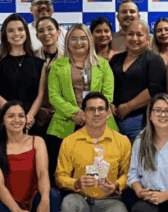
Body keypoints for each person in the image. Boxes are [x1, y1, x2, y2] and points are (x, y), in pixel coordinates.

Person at [56, 92, 132, 212]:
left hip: (110, 200)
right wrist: (76, 183)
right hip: (80, 198)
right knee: (67, 205)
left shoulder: (122, 141)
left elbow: (128, 174)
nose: (96, 113)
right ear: (83, 114)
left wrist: (116, 185)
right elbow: (60, 177)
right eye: (91, 109)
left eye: (101, 109)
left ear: (108, 113)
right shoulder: (69, 141)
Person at [47, 23, 116, 184]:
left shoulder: (103, 65)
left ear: (90, 40)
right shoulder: (58, 65)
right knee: (65, 172)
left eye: (83, 38)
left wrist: (89, 114)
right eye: (74, 39)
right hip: (66, 124)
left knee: (100, 170)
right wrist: (76, 113)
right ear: (67, 42)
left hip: (100, 123)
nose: (79, 43)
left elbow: (108, 95)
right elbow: (54, 96)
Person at [0, 101, 60, 212]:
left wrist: (45, 200)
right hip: (9, 202)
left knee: (53, 196)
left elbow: (42, 173)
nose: (17, 120)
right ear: (2, 120)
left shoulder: (37, 141)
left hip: (33, 198)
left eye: (21, 116)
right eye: (11, 116)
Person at [0, 13, 46, 136]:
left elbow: (40, 95)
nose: (16, 34)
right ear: (5, 35)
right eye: (11, 31)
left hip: (30, 122)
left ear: (26, 32)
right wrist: (16, 116)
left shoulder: (39, 63)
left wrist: (28, 116)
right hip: (4, 122)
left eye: (20, 29)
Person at [109, 20, 167, 144]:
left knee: (138, 160)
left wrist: (128, 107)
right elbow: (107, 84)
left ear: (148, 38)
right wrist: (110, 103)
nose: (134, 38)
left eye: (139, 35)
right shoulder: (115, 59)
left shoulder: (154, 60)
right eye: (130, 34)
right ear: (125, 37)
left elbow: (155, 90)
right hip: (112, 120)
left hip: (140, 122)